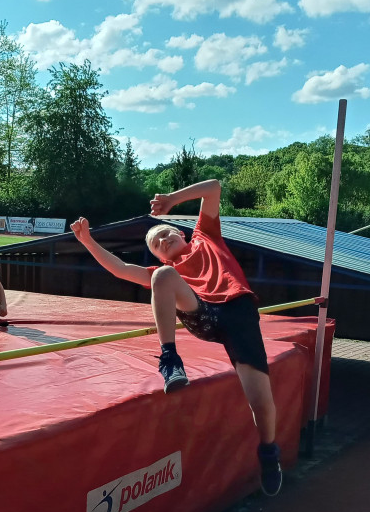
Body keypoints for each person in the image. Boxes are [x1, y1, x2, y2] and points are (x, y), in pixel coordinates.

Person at [69, 179, 282, 495]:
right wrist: (87, 240)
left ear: (180, 232)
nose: (162, 241)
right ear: (158, 254)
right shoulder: (166, 268)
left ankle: (268, 453)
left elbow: (214, 188)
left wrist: (171, 199)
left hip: (238, 314)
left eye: (164, 233)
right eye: (155, 244)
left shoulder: (205, 237)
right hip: (202, 313)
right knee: (163, 277)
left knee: (261, 403)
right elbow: (120, 268)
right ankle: (170, 359)